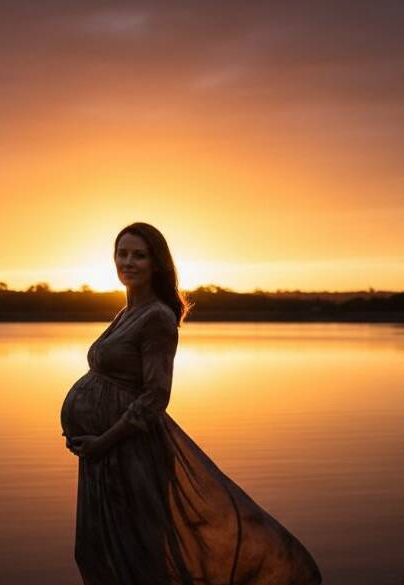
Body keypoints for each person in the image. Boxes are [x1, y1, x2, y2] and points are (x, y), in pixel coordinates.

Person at [60, 222, 322, 585]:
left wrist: (102, 441)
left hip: (128, 452)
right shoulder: (126, 313)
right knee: (96, 550)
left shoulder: (157, 318)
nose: (128, 261)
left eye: (139, 255)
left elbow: (154, 398)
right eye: (122, 253)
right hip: (102, 456)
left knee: (136, 555)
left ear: (157, 264)